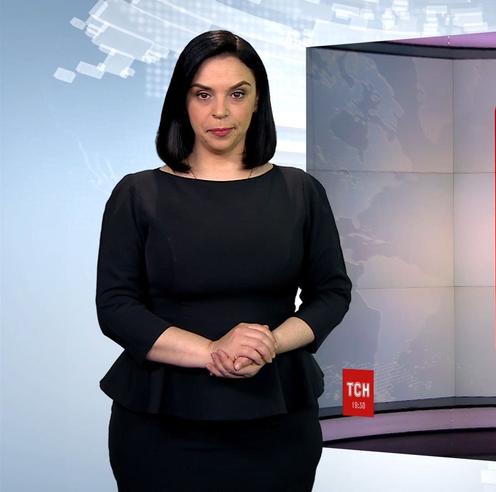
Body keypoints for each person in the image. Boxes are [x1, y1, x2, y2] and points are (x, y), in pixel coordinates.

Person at [95, 30, 352, 492]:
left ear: (258, 101)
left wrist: (269, 343)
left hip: (278, 421)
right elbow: (116, 307)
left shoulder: (300, 191)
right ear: (182, 101)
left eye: (237, 94)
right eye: (203, 94)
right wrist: (212, 352)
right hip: (160, 426)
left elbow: (332, 293)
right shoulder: (137, 194)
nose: (220, 111)